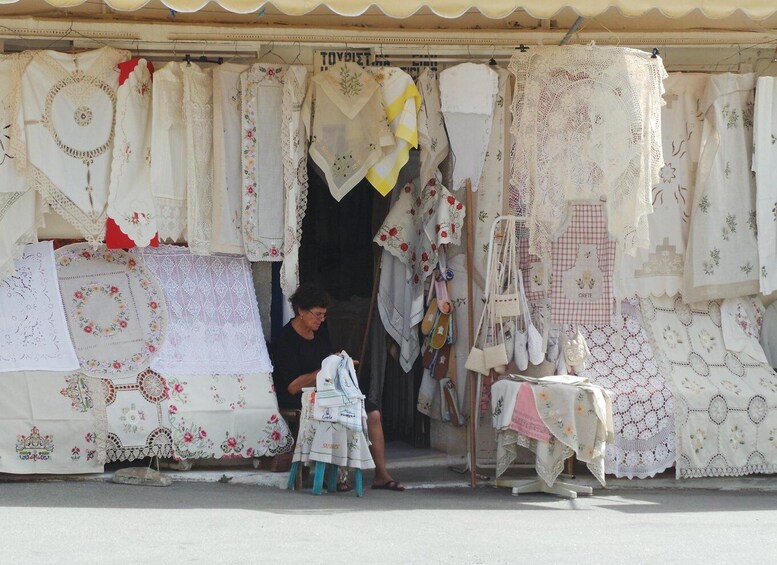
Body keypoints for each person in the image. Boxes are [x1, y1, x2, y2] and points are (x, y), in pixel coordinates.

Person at [272, 283, 404, 492]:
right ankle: (333, 475)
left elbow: (329, 367)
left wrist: (341, 364)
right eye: (317, 315)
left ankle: (381, 474)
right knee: (336, 415)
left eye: (324, 315)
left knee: (373, 413)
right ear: (301, 311)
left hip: (328, 392)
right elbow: (292, 387)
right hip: (301, 396)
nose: (321, 320)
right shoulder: (285, 339)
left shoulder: (321, 333)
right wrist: (327, 367)